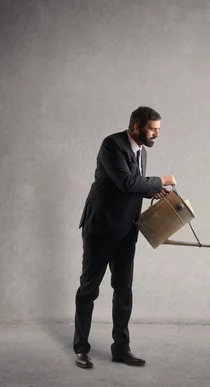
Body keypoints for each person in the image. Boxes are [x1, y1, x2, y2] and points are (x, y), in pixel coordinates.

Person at [73, 106, 176, 369]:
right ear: (136, 127)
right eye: (152, 129)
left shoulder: (141, 150)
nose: (156, 135)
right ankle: (81, 349)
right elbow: (126, 183)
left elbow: (133, 186)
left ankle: (121, 349)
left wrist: (153, 191)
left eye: (158, 130)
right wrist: (160, 180)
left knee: (123, 291)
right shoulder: (111, 144)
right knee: (89, 290)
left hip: (126, 230)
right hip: (100, 229)